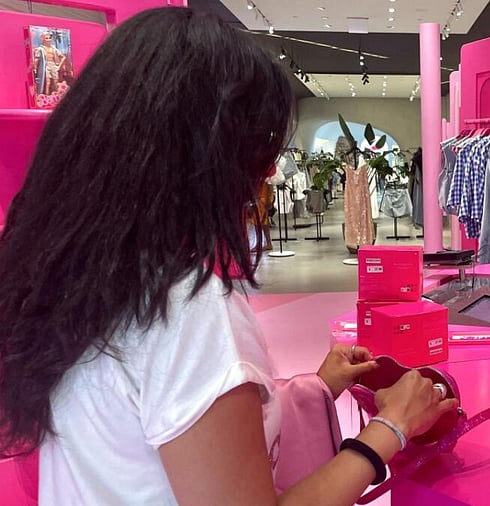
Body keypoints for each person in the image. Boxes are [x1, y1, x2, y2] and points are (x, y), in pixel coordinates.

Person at [0, 7, 457, 505]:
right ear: (209, 156)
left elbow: (155, 438)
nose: (263, 177)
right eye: (257, 149)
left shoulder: (80, 277)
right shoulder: (185, 312)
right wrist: (391, 428)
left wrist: (314, 388)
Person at [33, 30, 67, 96]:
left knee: (55, 81)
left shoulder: (54, 49)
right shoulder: (40, 49)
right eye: (46, 38)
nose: (48, 40)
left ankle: (57, 97)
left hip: (54, 65)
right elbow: (36, 59)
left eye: (49, 38)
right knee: (47, 82)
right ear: (42, 39)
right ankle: (46, 96)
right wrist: (35, 68)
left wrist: (59, 66)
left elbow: (63, 57)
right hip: (45, 66)